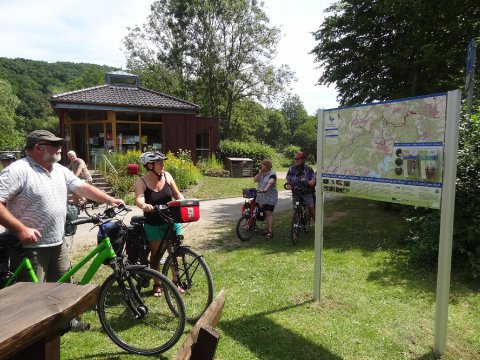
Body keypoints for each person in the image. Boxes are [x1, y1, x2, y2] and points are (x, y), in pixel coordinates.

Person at [0, 130, 124, 331]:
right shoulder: (18, 170)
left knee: (64, 286)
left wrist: (109, 199)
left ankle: (67, 323)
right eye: (54, 145)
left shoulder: (58, 169)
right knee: (31, 294)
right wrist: (21, 229)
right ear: (38, 148)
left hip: (57, 241)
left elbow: (82, 188)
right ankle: (30, 333)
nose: (60, 148)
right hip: (30, 245)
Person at [134, 151, 184, 296]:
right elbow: (139, 198)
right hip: (153, 223)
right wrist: (144, 205)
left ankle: (176, 282)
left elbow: (177, 194)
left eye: (163, 162)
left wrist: (184, 202)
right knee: (156, 255)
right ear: (150, 165)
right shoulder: (141, 182)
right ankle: (157, 283)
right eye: (159, 162)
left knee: (174, 252)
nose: (163, 164)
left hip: (171, 221)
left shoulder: (167, 176)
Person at [285, 151, 316, 221]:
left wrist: (311, 182)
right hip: (296, 192)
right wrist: (289, 185)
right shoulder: (291, 168)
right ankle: (296, 225)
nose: (296, 160)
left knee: (311, 209)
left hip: (306, 192)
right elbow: (288, 179)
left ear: (303, 160)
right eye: (295, 159)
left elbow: (313, 180)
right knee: (296, 208)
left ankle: (316, 224)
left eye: (298, 159)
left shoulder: (308, 169)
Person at [253, 159, 278, 239]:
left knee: (269, 213)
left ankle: (270, 231)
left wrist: (266, 189)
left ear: (267, 166)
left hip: (270, 197)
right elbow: (255, 180)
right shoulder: (262, 173)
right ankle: (267, 229)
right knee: (265, 213)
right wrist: (260, 172)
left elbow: (270, 182)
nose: (261, 166)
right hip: (261, 196)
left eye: (262, 165)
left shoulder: (272, 174)